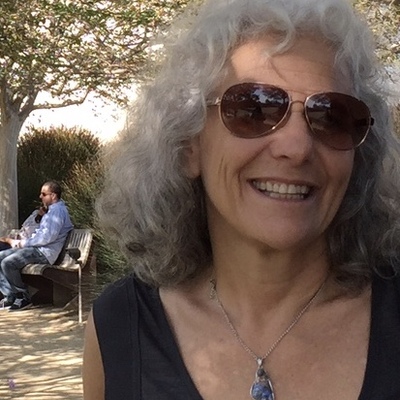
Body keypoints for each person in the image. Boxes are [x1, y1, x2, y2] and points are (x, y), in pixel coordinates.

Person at [83, 0, 400, 399]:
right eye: (253, 109)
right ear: (189, 145)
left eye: (331, 117)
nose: (296, 147)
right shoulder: (119, 331)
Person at [0, 181, 73, 311]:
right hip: (35, 249)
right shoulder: (51, 211)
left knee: (8, 263)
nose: (40, 197)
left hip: (44, 253)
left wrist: (24, 243)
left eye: (43, 194)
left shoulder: (57, 212)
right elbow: (41, 233)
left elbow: (47, 238)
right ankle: (10, 295)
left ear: (53, 196)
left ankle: (23, 297)